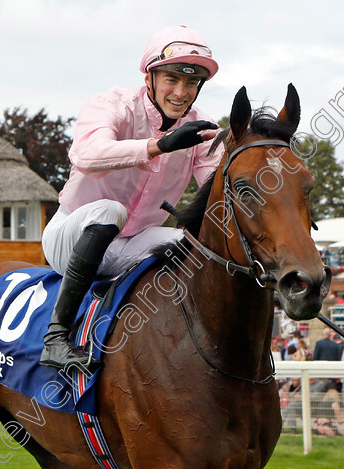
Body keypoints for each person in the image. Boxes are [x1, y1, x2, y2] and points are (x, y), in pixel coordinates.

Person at [39, 25, 223, 369]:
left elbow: (217, 192)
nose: (181, 92)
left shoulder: (203, 127)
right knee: (110, 210)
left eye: (192, 83)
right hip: (72, 236)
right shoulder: (112, 104)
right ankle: (56, 338)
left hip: (134, 244)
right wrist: (159, 146)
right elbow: (85, 153)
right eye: (172, 79)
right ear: (149, 76)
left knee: (190, 245)